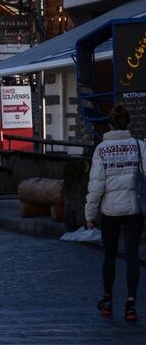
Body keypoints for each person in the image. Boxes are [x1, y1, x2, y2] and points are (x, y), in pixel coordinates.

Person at [85, 105, 146, 323]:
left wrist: (90, 214)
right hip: (134, 209)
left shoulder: (102, 149)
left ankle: (108, 300)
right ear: (128, 123)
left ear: (109, 124)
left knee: (109, 255)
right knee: (132, 258)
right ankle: (131, 305)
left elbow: (96, 186)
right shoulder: (140, 146)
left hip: (110, 210)